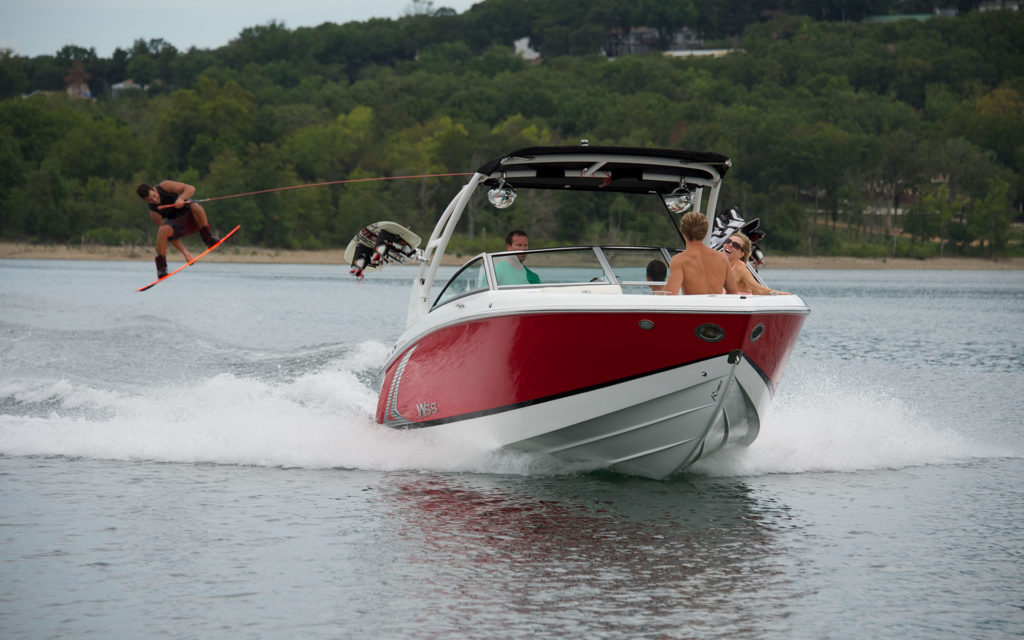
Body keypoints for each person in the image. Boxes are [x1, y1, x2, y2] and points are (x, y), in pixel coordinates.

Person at [136, 180, 220, 278]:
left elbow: (191, 188)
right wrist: (185, 253)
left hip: (193, 218)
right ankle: (161, 268)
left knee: (195, 205)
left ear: (154, 190)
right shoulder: (154, 213)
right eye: (150, 200)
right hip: (179, 225)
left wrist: (181, 199)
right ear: (145, 201)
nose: (155, 200)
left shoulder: (165, 186)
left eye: (154, 196)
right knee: (162, 231)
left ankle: (208, 238)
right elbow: (169, 237)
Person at [663, 211, 739, 295]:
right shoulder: (722, 258)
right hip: (716, 307)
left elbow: (670, 293)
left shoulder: (679, 260)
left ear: (683, 232)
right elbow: (733, 293)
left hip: (694, 307)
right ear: (705, 232)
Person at [722, 232, 790, 295]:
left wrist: (778, 293)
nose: (730, 245)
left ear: (741, 254)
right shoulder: (719, 263)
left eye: (736, 245)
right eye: (728, 241)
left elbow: (758, 290)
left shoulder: (740, 268)